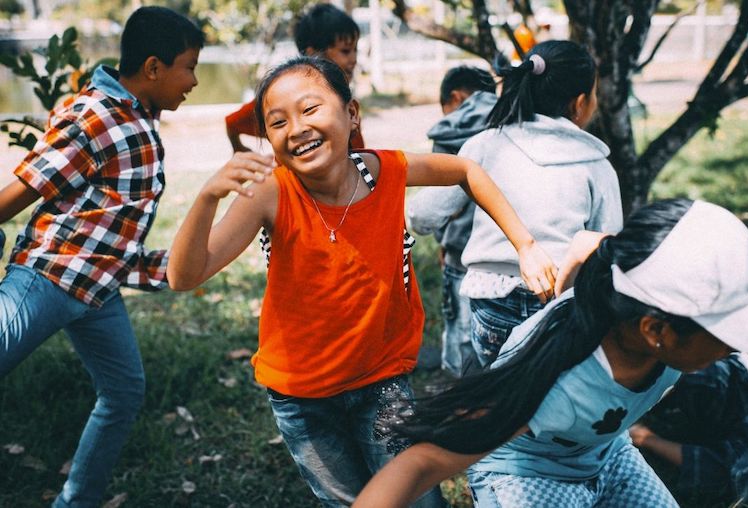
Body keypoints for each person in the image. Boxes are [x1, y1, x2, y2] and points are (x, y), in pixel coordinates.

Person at [167, 56, 556, 507]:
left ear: (351, 114)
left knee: (416, 496)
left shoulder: (386, 171)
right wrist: (207, 197)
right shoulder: (271, 193)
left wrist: (525, 245)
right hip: (302, 397)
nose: (296, 129)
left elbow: (467, 171)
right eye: (277, 122)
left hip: (380, 377)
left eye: (310, 109)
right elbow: (184, 276)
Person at [354, 198, 748, 508]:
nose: (735, 345)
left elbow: (591, 243)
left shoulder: (623, 271)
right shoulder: (554, 384)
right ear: (656, 330)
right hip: (527, 474)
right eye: (726, 331)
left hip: (605, 452)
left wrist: (564, 295)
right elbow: (421, 462)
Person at [0, 7, 203, 507]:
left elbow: (111, 229)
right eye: (189, 66)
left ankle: (76, 502)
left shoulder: (137, 117)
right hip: (46, 278)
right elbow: (24, 190)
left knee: (124, 392)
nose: (194, 81)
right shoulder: (96, 114)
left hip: (96, 292)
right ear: (154, 68)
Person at [407, 40, 623, 370]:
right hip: (558, 305)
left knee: (496, 393)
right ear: (580, 103)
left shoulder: (484, 145)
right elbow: (608, 243)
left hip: (490, 302)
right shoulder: (596, 164)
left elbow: (422, 215)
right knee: (542, 396)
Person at [408, 66, 497, 377]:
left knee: (459, 333)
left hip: (460, 250)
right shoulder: (510, 122)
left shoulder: (451, 131)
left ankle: (453, 386)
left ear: (455, 97)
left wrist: (443, 240)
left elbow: (435, 206)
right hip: (505, 256)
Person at [224, 3, 364, 154]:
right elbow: (232, 122)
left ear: (351, 111)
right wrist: (239, 148)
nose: (354, 59)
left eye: (355, 50)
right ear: (314, 55)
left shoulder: (343, 99)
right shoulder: (283, 97)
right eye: (345, 51)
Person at [629, 352, 748, 505]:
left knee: (738, 471)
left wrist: (647, 439)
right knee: (701, 369)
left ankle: (643, 436)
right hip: (742, 376)